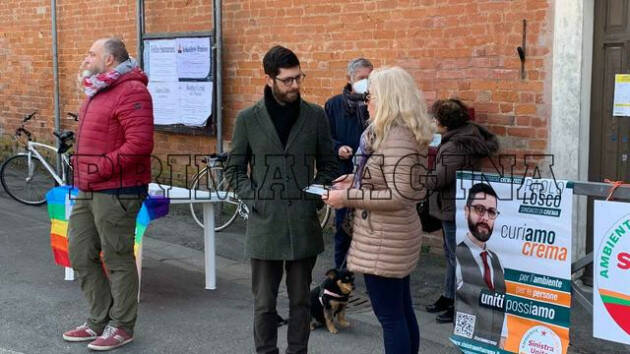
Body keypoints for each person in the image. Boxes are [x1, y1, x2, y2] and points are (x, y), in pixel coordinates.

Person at [224, 45, 338, 354]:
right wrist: (255, 198)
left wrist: (313, 197)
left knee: (301, 300)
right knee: (264, 303)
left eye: (299, 78)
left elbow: (329, 164)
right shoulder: (248, 119)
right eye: (287, 80)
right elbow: (233, 169)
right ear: (269, 78)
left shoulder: (315, 116)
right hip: (265, 224)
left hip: (303, 224)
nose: (296, 86)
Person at [323, 66, 433, 354]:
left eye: (371, 95)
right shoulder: (392, 133)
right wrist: (354, 178)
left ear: (387, 98)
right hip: (389, 236)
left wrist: (348, 197)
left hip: (386, 238)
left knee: (391, 316)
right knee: (400, 310)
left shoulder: (396, 137)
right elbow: (390, 179)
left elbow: (399, 195)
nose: (366, 101)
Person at [63, 38, 154, 351]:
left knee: (117, 257)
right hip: (89, 187)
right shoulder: (97, 89)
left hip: (118, 190)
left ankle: (122, 325)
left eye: (92, 54)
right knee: (78, 252)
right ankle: (97, 319)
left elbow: (139, 144)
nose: (86, 58)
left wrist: (98, 168)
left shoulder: (132, 90)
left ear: (111, 59)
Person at [425, 99, 498, 323]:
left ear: (444, 123)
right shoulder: (464, 136)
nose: (432, 122)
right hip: (455, 204)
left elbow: (438, 179)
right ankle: (448, 296)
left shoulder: (455, 146)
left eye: (435, 119)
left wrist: (417, 176)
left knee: (456, 258)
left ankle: (458, 304)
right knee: (452, 256)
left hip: (453, 207)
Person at [324, 57, 373, 269]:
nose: (367, 82)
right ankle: (340, 271)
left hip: (371, 175)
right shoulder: (334, 105)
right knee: (343, 229)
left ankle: (367, 267)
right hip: (345, 174)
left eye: (370, 78)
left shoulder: (374, 103)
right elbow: (325, 137)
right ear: (349, 78)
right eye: (362, 78)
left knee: (370, 228)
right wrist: (338, 148)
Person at [455, 183, 507, 348]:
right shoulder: (456, 255)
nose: (485, 218)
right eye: (479, 209)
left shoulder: (496, 260)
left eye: (491, 212)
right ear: (466, 211)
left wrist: (503, 335)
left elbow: (502, 302)